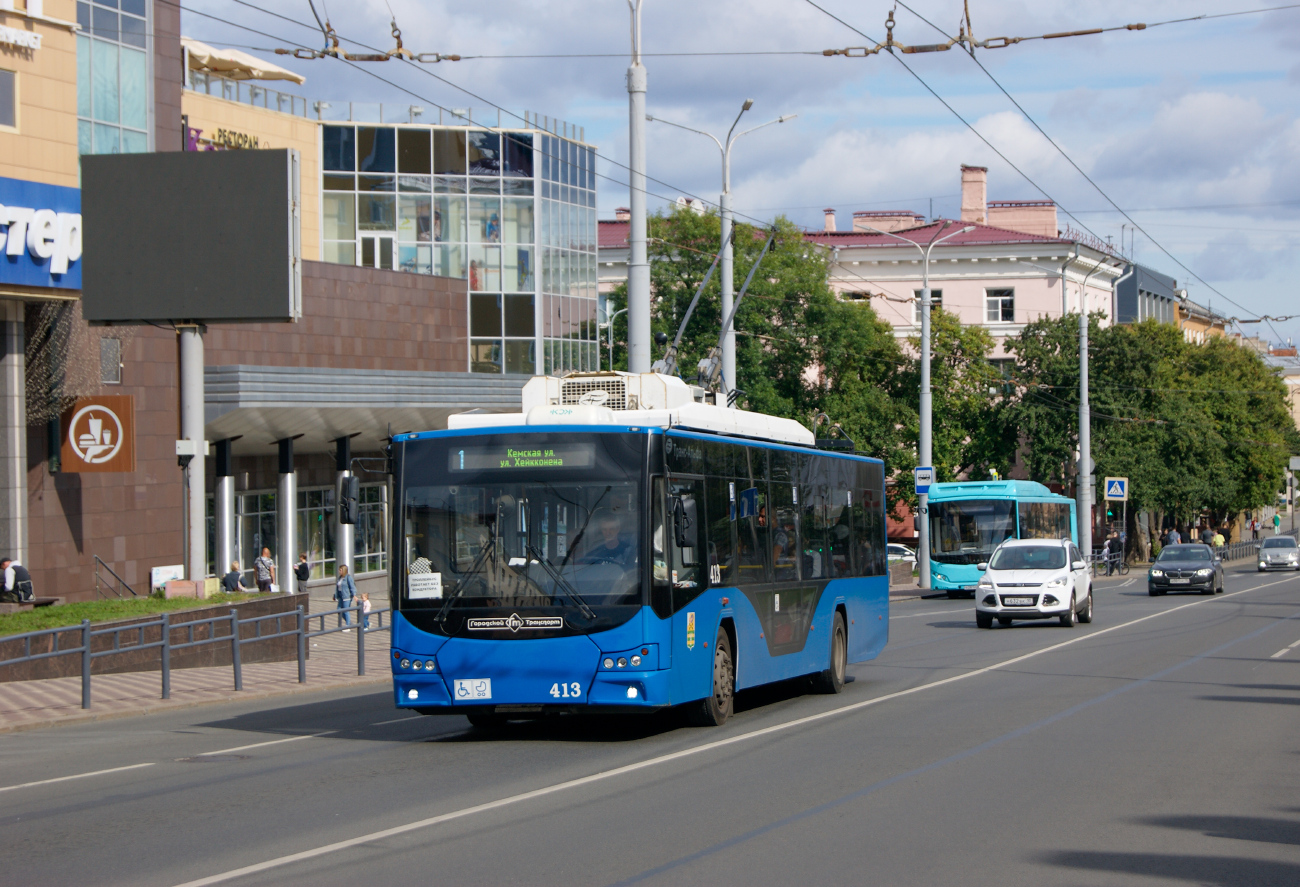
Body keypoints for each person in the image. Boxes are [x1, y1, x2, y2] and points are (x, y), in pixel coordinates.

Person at [335, 564, 357, 631]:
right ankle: (349, 622)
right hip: (341, 596)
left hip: (347, 597)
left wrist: (354, 595)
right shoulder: (340, 578)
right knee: (339, 610)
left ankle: (348, 626)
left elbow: (352, 587)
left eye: (340, 570)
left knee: (346, 611)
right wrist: (335, 595)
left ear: (344, 570)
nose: (339, 571)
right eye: (339, 570)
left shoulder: (348, 577)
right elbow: (338, 587)